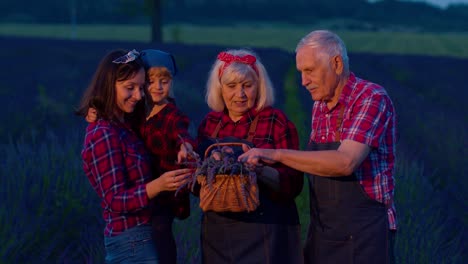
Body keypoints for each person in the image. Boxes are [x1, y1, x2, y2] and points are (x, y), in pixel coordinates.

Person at [239, 30, 397, 263]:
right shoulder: (320, 106)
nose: (303, 81)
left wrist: (277, 154)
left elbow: (345, 162)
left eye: (309, 71)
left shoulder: (371, 98)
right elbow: (317, 165)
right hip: (325, 234)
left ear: (337, 63)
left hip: (366, 238)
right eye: (301, 72)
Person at [76, 49, 192, 263]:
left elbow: (168, 117)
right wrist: (158, 185)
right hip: (131, 240)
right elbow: (114, 200)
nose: (138, 96)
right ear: (108, 85)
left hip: (146, 234)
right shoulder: (103, 133)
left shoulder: (126, 124)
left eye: (141, 87)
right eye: (130, 88)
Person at [196, 49, 304, 264]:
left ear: (259, 86)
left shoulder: (275, 121)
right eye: (231, 86)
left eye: (247, 85)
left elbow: (293, 184)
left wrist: (260, 170)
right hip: (219, 235)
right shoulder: (209, 124)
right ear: (219, 87)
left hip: (266, 231)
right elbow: (197, 186)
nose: (240, 94)